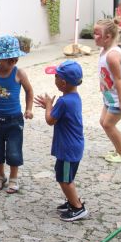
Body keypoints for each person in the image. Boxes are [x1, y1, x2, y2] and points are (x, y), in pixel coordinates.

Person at [34, 60, 88, 222]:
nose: (54, 80)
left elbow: (50, 120)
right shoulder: (74, 97)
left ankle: (78, 208)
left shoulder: (63, 101)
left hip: (67, 149)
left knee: (64, 179)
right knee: (65, 176)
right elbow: (56, 114)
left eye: (56, 77)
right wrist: (50, 107)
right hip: (74, 146)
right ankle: (72, 201)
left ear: (63, 83)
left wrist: (49, 106)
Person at [0, 35, 34, 193]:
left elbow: (29, 91)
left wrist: (29, 109)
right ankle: (0, 176)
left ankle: (13, 178)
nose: (13, 61)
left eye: (15, 58)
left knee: (14, 151)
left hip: (14, 120)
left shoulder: (19, 73)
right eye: (9, 59)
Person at [94, 18, 121, 163]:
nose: (94, 36)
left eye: (97, 34)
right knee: (103, 121)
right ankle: (119, 149)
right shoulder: (104, 50)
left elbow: (118, 79)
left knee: (108, 124)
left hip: (119, 98)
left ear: (107, 37)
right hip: (109, 95)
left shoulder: (112, 56)